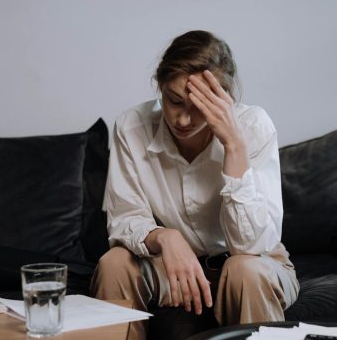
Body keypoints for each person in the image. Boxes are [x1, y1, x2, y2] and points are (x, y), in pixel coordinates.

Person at [91, 30, 299, 340]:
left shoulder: (253, 126)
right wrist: (166, 237)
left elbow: (251, 245)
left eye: (199, 107)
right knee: (114, 263)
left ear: (223, 99)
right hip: (171, 270)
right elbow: (124, 219)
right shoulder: (131, 126)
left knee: (245, 269)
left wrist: (234, 146)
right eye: (174, 101)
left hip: (251, 264)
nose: (183, 120)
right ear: (159, 85)